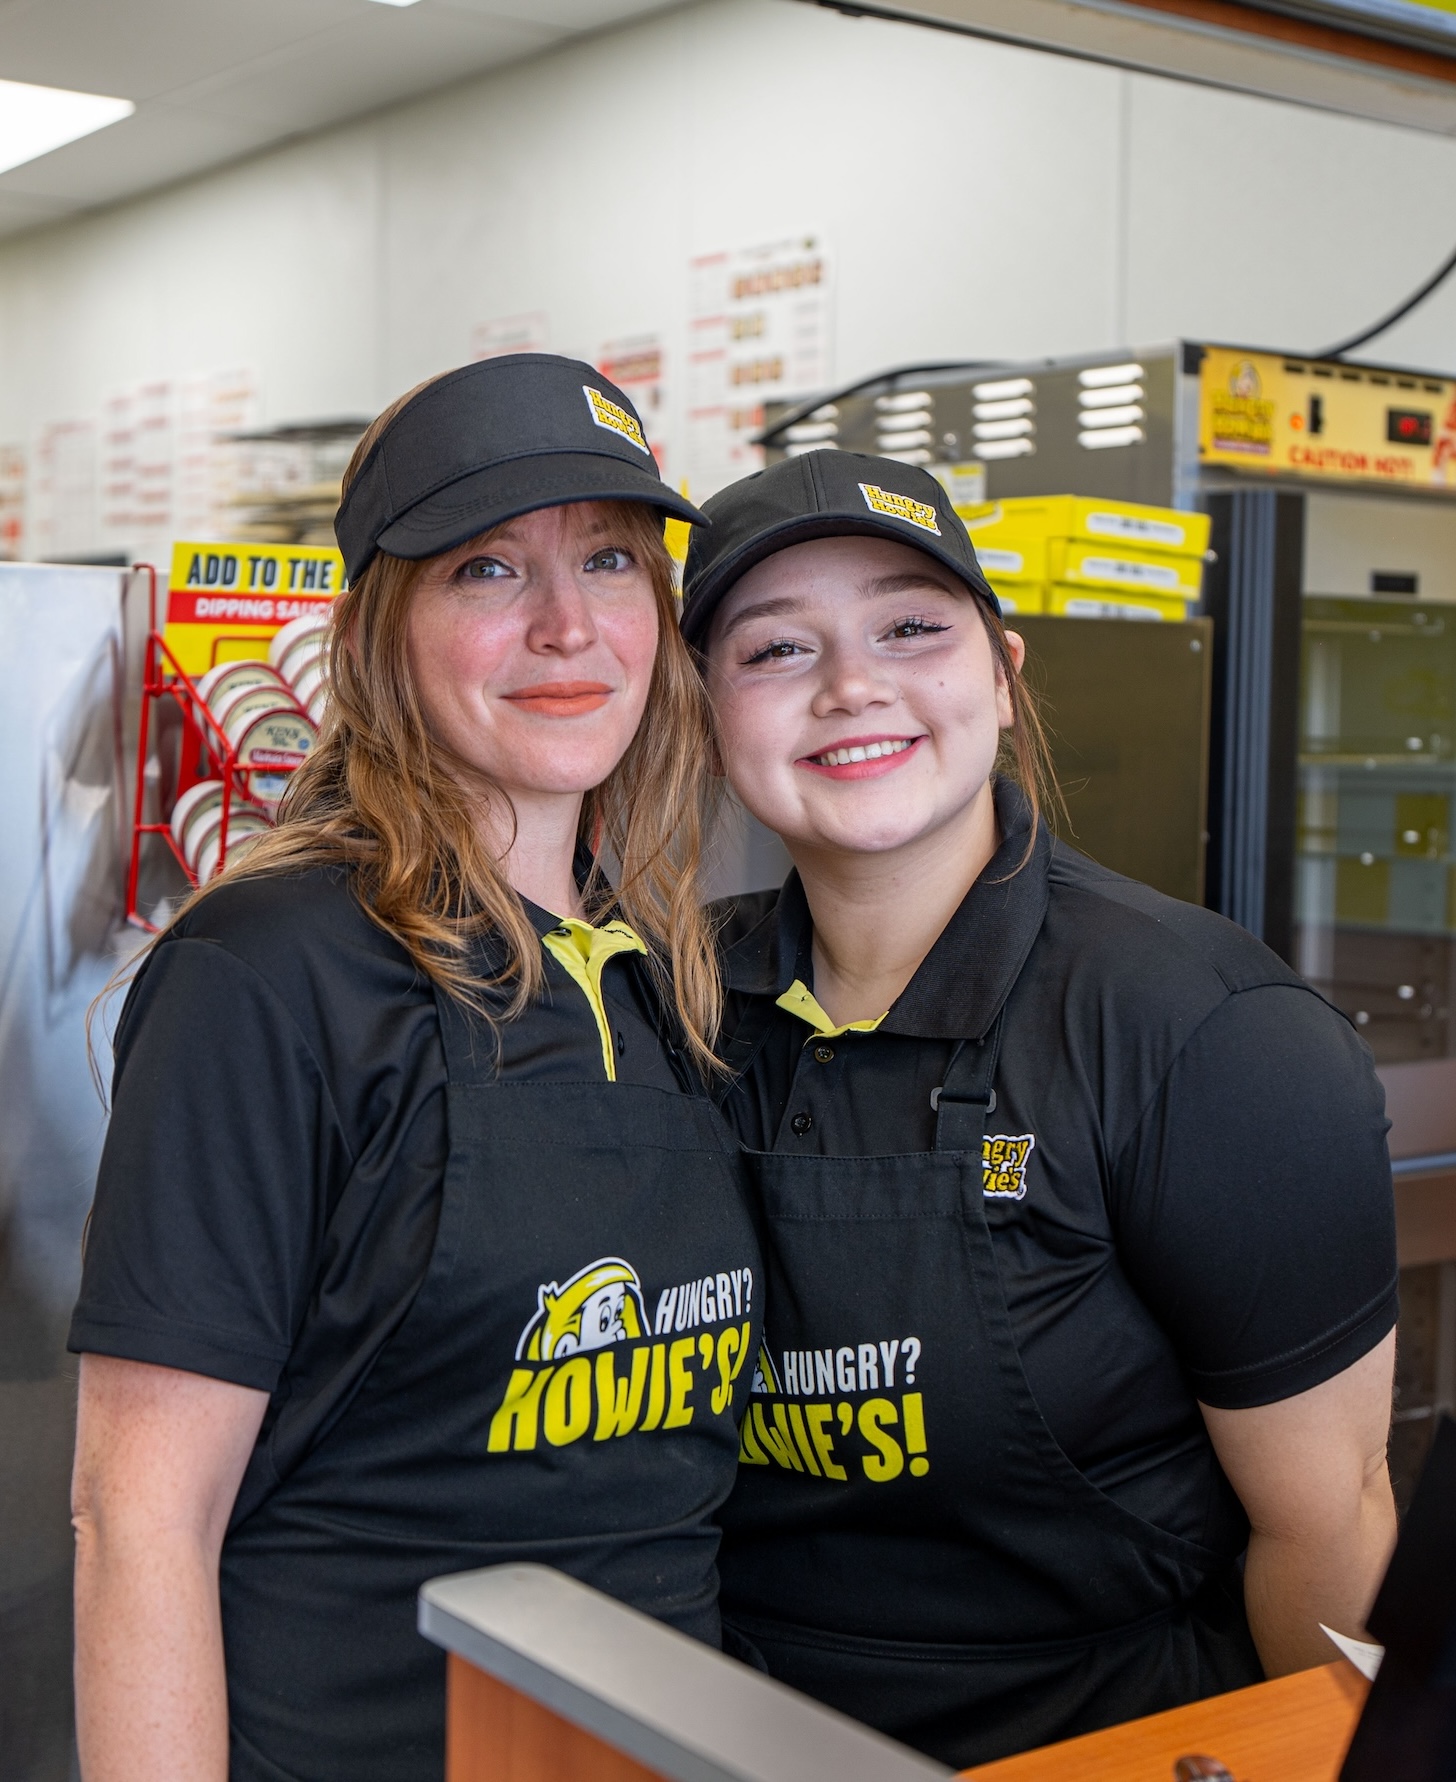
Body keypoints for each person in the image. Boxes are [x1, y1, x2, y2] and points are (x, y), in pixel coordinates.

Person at [70, 355, 762, 1782]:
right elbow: (138, 1523)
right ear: (386, 628)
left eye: (613, 559)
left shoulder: (663, 970)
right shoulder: (269, 975)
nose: (569, 625)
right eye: (490, 569)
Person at [680, 449, 1399, 1769]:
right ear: (707, 714)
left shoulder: (1204, 1036)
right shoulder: (669, 1008)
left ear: (1003, 674)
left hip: (1103, 1739)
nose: (854, 685)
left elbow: (1328, 1524)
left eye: (911, 626)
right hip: (731, 1737)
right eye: (778, 650)